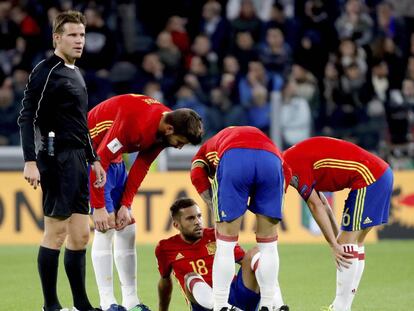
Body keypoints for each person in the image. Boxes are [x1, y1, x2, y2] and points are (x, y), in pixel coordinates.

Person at [18, 10, 105, 311]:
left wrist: (93, 159)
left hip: (80, 160)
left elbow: (81, 123)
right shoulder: (46, 71)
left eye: (81, 35)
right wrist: (30, 160)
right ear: (57, 38)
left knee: (80, 236)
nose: (79, 40)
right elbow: (27, 116)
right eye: (72, 35)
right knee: (55, 233)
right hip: (55, 158)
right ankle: (50, 305)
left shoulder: (76, 72)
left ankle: (81, 304)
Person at [88, 94, 203, 311]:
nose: (178, 147)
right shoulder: (134, 123)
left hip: (114, 159)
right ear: (170, 130)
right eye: (180, 142)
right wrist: (99, 206)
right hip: (89, 155)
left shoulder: (165, 124)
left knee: (127, 225)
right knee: (105, 227)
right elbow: (99, 158)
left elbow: (142, 165)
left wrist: (126, 204)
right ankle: (107, 303)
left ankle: (130, 301)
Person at [283, 136, 393, 311]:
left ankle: (341, 308)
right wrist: (336, 241)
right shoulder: (292, 158)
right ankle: (342, 306)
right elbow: (324, 205)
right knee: (355, 242)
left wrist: (335, 245)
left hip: (368, 178)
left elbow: (315, 205)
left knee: (346, 243)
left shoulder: (291, 166)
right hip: (381, 173)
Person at [190, 126, 290, 311]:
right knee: (268, 245)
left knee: (225, 243)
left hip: (234, 157)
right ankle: (269, 304)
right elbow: (286, 171)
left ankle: (220, 305)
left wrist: (214, 204)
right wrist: (273, 200)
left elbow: (196, 173)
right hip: (272, 158)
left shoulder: (205, 151)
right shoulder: (254, 135)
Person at [155, 197, 289, 311]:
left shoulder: (216, 235)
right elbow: (165, 281)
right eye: (190, 218)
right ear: (176, 225)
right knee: (190, 277)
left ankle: (277, 305)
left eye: (199, 216)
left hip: (235, 296)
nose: (197, 222)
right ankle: (223, 308)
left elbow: (250, 262)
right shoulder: (165, 248)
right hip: (205, 306)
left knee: (257, 254)